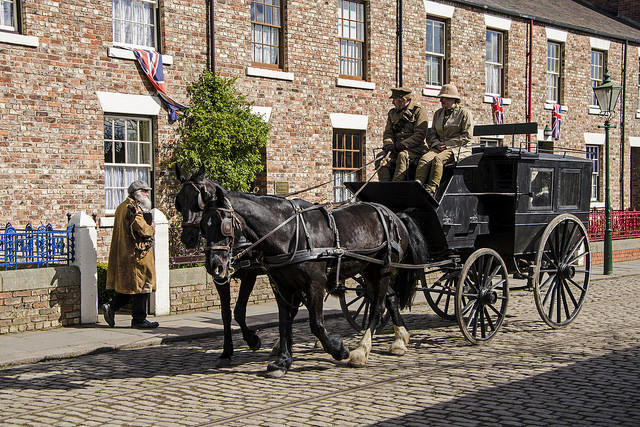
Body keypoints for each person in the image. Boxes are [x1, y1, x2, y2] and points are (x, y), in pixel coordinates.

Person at [102, 180, 159, 329]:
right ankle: (139, 319)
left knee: (131, 287)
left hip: (126, 253)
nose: (147, 194)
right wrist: (151, 227)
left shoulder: (121, 207)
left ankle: (112, 306)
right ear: (137, 193)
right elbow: (142, 229)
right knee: (144, 284)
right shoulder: (133, 208)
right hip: (138, 253)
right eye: (145, 191)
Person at [414, 83, 474, 195]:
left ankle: (431, 189)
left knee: (438, 159)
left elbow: (467, 136)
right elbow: (433, 133)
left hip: (458, 148)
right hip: (439, 147)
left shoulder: (464, 113)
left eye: (444, 98)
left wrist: (447, 144)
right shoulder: (438, 114)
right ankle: (417, 186)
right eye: (441, 98)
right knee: (424, 159)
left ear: (453, 99)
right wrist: (436, 144)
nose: (441, 101)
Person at [376, 87, 429, 181]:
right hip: (395, 148)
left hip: (414, 149)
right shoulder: (392, 113)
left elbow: (419, 135)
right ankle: (384, 187)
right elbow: (388, 132)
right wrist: (388, 144)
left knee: (402, 156)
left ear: (403, 100)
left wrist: (403, 145)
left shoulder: (418, 112)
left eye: (394, 100)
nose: (392, 103)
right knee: (380, 157)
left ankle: (396, 186)